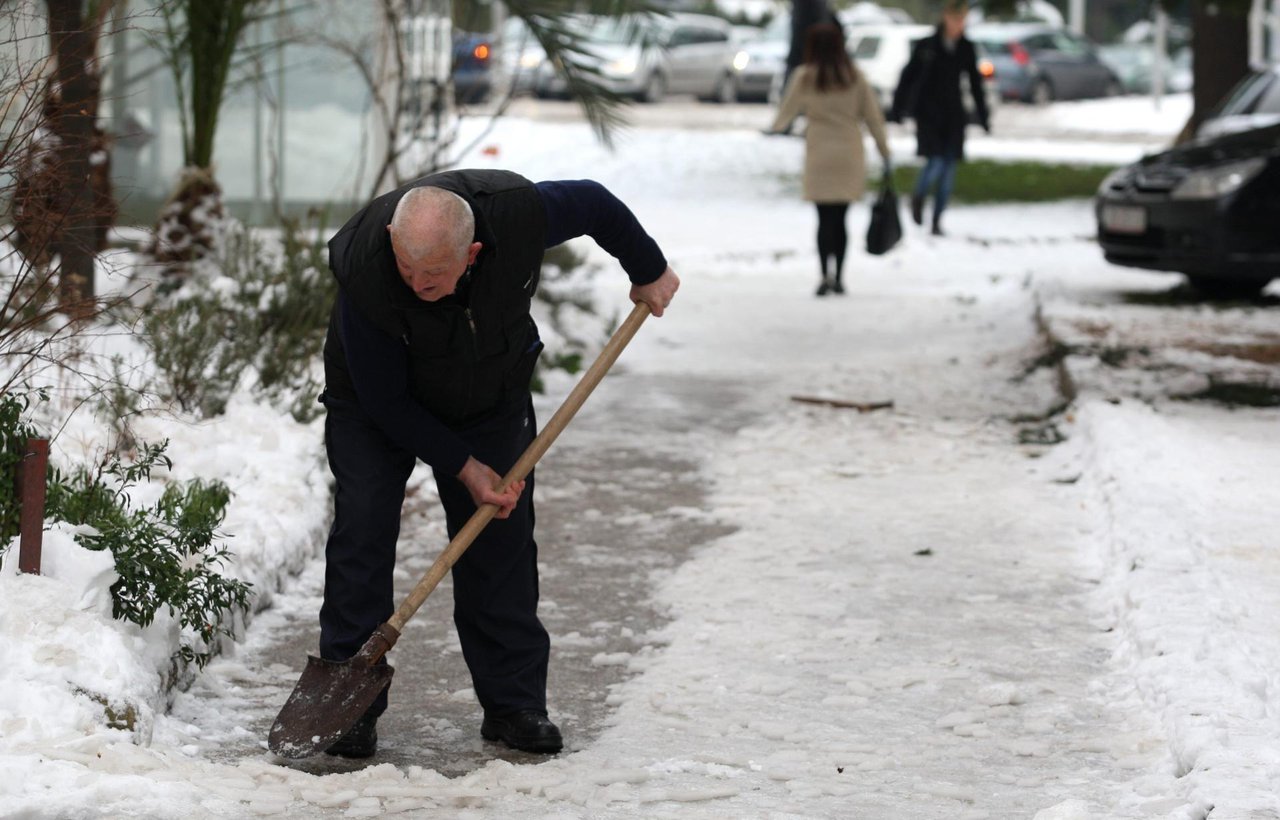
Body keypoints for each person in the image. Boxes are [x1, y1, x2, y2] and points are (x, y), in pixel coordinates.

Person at [318, 170, 680, 758]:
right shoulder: (366, 267)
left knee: (500, 542)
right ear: (391, 239)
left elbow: (594, 203)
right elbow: (386, 403)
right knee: (363, 526)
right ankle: (349, 703)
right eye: (407, 268)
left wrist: (649, 267)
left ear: (473, 254)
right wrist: (463, 465)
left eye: (432, 274)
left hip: (487, 391)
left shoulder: (516, 215)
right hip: (372, 404)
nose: (416, 283)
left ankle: (514, 705)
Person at [768, 22, 891, 297]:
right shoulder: (855, 76)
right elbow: (873, 117)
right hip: (849, 152)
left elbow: (785, 113)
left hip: (819, 153)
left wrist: (775, 128)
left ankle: (824, 275)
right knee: (842, 218)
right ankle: (841, 277)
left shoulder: (805, 77)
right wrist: (885, 152)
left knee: (823, 219)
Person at [889, 0, 989, 237]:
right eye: (955, 18)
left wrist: (983, 116)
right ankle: (919, 197)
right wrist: (898, 108)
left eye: (962, 19)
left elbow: (975, 84)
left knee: (948, 171)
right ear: (946, 17)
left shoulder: (965, 47)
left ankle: (936, 220)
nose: (958, 24)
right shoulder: (928, 45)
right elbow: (909, 76)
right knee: (935, 162)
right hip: (930, 115)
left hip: (953, 116)